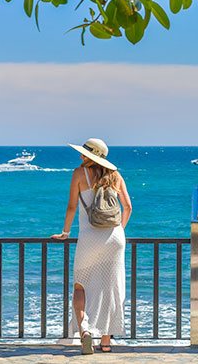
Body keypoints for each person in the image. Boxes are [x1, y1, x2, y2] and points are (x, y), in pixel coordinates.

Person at [51, 138, 132, 354]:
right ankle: (106, 342)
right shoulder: (115, 175)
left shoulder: (79, 173)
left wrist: (65, 232)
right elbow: (128, 207)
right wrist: (119, 232)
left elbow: (71, 206)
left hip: (89, 238)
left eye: (84, 153)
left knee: (80, 285)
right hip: (115, 239)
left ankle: (84, 331)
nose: (80, 156)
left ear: (91, 155)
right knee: (111, 288)